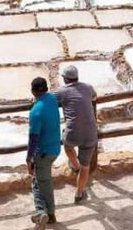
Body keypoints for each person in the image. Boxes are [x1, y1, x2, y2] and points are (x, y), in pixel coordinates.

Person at [54, 65, 97, 204]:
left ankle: (74, 165)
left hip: (73, 133)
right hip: (91, 133)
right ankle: (79, 193)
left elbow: (47, 101)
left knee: (67, 143)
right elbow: (95, 97)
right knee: (86, 166)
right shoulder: (88, 87)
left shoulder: (61, 91)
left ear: (65, 79)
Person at [28, 77, 61, 229]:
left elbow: (33, 138)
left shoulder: (35, 112)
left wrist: (29, 158)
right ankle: (49, 214)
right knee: (44, 181)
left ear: (33, 91)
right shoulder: (52, 98)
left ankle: (43, 213)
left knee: (38, 183)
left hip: (43, 152)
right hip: (55, 148)